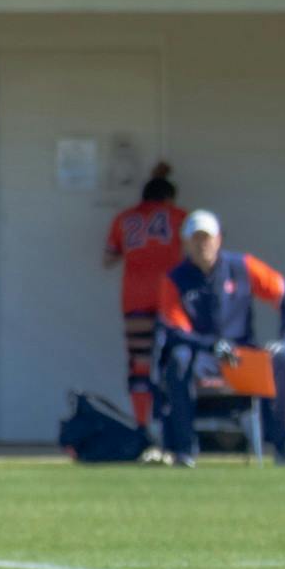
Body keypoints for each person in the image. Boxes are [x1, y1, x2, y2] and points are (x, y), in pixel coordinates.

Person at [155, 210, 285, 468]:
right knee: (178, 360)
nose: (202, 244)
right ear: (186, 243)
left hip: (241, 356)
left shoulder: (243, 267)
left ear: (218, 239)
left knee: (284, 360)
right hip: (202, 357)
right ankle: (184, 449)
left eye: (207, 238)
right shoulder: (175, 279)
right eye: (195, 239)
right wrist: (211, 345)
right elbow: (176, 330)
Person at [103, 163, 187, 429]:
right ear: (169, 197)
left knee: (140, 362)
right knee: (176, 358)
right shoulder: (179, 216)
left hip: (135, 299)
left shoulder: (124, 219)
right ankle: (173, 425)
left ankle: (142, 424)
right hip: (170, 298)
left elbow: (108, 259)